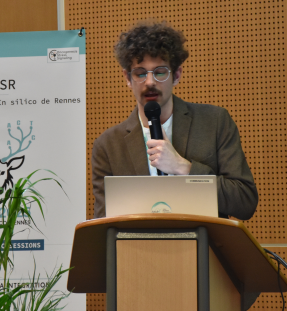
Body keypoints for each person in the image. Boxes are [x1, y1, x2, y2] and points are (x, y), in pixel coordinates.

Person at [91, 21, 258, 219]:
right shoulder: (109, 146)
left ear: (176, 75)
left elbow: (244, 201)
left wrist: (182, 167)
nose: (150, 82)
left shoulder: (214, 123)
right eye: (140, 73)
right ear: (128, 79)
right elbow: (104, 224)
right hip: (139, 241)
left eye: (160, 72)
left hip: (202, 239)